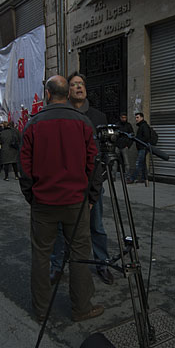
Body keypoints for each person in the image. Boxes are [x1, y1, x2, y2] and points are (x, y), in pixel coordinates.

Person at [20, 75, 104, 322]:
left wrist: (32, 196)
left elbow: (24, 167)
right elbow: (94, 163)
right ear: (67, 94)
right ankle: (81, 308)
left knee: (41, 255)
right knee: (79, 254)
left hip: (44, 202)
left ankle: (41, 308)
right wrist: (92, 196)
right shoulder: (83, 122)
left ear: (47, 94)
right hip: (76, 202)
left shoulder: (33, 123)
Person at [50, 73, 113, 285]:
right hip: (66, 187)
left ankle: (102, 263)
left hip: (92, 185)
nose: (79, 87)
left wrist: (97, 187)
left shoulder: (98, 117)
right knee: (61, 229)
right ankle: (57, 266)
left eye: (82, 84)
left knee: (96, 227)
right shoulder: (61, 114)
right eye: (74, 84)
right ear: (67, 91)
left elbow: (103, 154)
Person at [128, 112, 153, 184]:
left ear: (142, 118)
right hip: (142, 147)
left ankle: (132, 178)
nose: (136, 119)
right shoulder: (141, 126)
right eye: (135, 117)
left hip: (143, 148)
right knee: (142, 164)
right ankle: (144, 178)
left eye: (137, 117)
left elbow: (146, 137)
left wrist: (138, 140)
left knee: (138, 163)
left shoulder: (144, 126)